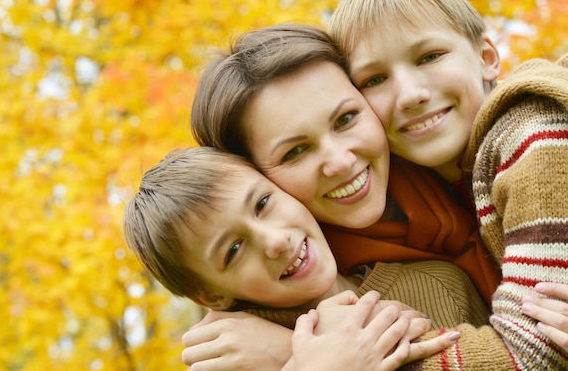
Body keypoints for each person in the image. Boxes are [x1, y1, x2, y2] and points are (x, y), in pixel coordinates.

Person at [185, 22, 504, 371]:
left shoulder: (471, 154)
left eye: (346, 119)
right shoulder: (273, 307)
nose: (340, 162)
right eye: (294, 152)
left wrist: (289, 351)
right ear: (255, 173)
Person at [326, 0, 568, 369]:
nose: (409, 95)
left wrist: (317, 354)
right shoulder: (425, 187)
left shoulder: (534, 137)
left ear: (487, 57)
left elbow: (531, 355)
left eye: (429, 56)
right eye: (374, 79)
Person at [123, 146, 466, 371]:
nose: (275, 241)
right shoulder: (231, 362)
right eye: (233, 250)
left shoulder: (435, 282)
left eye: (262, 204)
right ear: (212, 295)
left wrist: (290, 352)